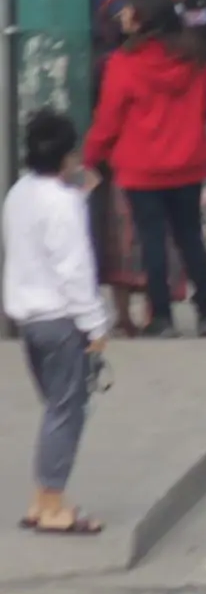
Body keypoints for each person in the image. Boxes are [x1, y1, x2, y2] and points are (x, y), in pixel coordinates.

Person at [84, 0, 206, 339]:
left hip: (141, 169)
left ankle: (163, 317)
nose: (124, 18)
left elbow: (108, 121)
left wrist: (90, 156)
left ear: (144, 20)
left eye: (130, 13)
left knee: (153, 240)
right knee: (191, 238)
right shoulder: (195, 59)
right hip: (188, 164)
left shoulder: (124, 65)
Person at [5, 112, 108, 534]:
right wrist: (96, 325)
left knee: (55, 409)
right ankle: (52, 505)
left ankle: (40, 500)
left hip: (28, 320)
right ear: (67, 156)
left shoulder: (19, 193)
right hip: (62, 320)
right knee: (67, 412)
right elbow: (75, 270)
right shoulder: (64, 204)